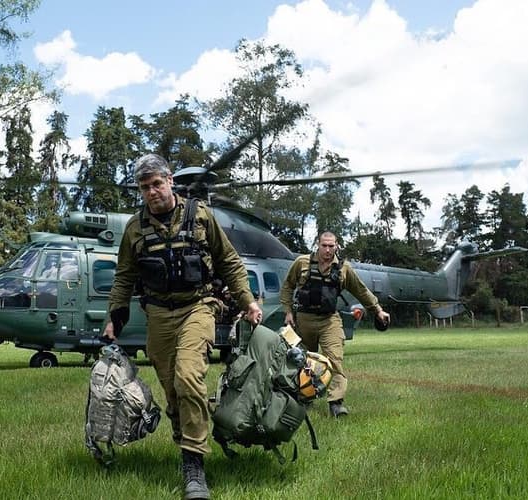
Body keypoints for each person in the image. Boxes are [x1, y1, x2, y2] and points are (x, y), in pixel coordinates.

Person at [103, 153, 263, 500]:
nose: (151, 192)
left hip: (198, 306)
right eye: (144, 187)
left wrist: (248, 301)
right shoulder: (135, 228)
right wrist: (115, 317)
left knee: (188, 376)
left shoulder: (201, 216)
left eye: (156, 184)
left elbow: (228, 261)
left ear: (170, 180)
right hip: (159, 315)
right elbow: (124, 277)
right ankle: (191, 434)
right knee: (173, 390)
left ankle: (194, 464)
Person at [280, 231, 390, 418]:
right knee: (301, 361)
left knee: (335, 360)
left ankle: (336, 403)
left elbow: (361, 290)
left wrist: (378, 310)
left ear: (337, 246)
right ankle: (303, 398)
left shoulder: (343, 268)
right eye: (324, 245)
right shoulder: (302, 263)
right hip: (304, 319)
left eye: (331, 246)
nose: (327, 250)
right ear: (318, 244)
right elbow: (288, 286)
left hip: (329, 320)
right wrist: (288, 311)